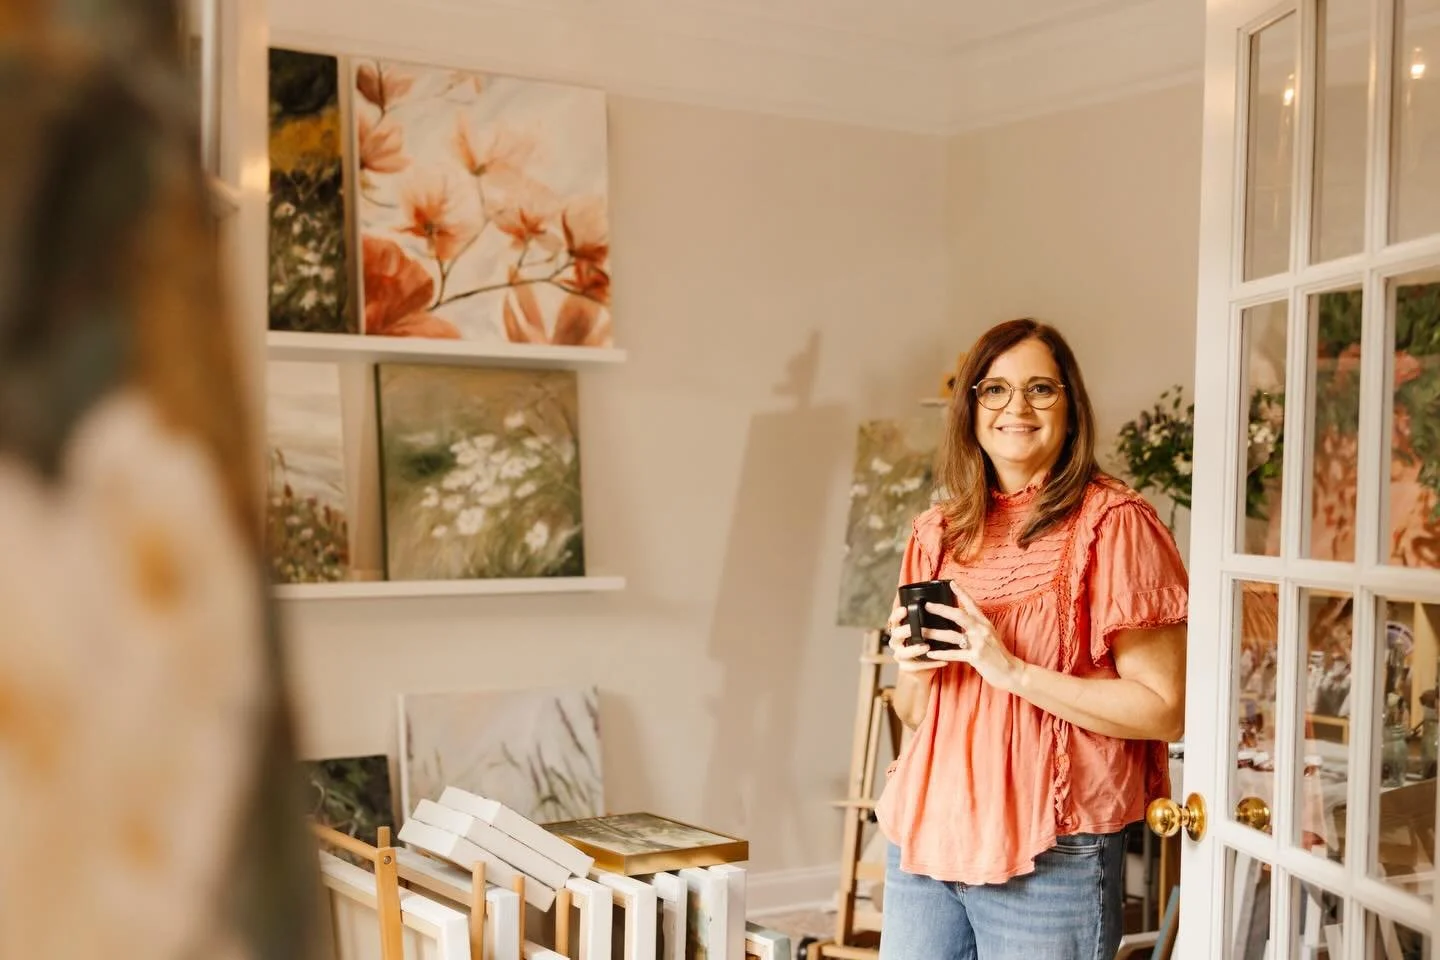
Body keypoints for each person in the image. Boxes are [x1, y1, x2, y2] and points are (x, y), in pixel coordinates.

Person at [874, 318, 1189, 960]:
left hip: (1053, 849)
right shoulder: (936, 532)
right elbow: (914, 715)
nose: (1016, 408)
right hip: (924, 836)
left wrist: (1013, 671)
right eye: (994, 390)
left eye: (1040, 389)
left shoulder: (1116, 525)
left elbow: (1165, 709)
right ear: (970, 410)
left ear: (1070, 409)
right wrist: (914, 671)